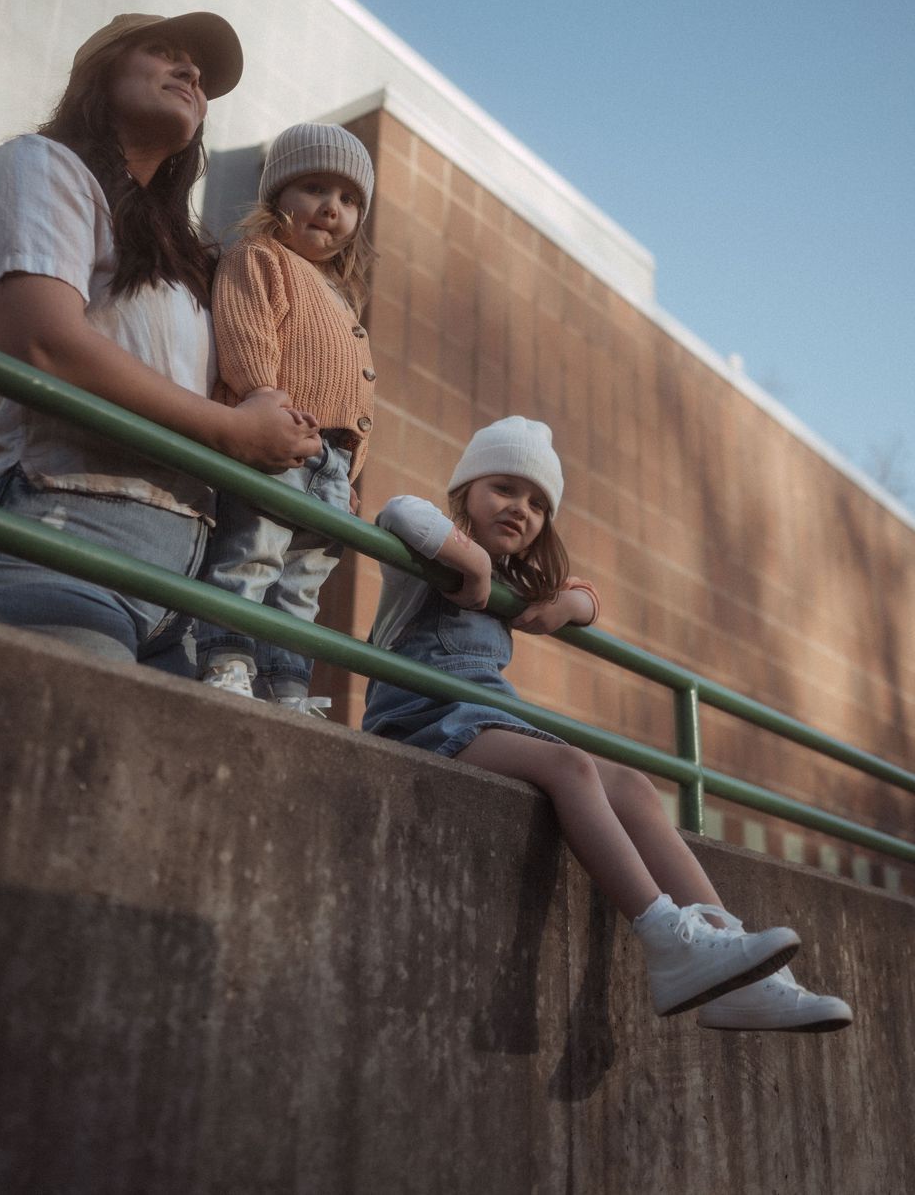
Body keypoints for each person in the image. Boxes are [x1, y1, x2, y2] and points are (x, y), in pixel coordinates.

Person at [363, 417, 853, 1031]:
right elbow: (399, 511)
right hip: (419, 719)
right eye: (504, 488)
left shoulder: (519, 582)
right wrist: (472, 565)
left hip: (487, 721)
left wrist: (569, 603)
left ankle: (735, 966)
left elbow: (588, 596)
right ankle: (666, 939)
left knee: (635, 787)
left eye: (537, 504)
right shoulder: (426, 559)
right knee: (570, 765)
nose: (520, 508)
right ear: (465, 492)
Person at [0, 12, 321, 666]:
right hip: (44, 537)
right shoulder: (37, 165)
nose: (192, 73)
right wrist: (233, 431)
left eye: (201, 75)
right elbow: (42, 343)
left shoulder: (186, 259)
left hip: (175, 591)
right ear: (99, 74)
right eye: (163, 52)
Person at [196, 122, 377, 714]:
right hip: (280, 436)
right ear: (278, 197)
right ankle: (226, 659)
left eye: (348, 199)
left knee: (302, 583)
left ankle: (286, 688)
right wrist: (262, 396)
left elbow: (355, 395)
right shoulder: (259, 257)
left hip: (332, 461)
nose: (332, 207)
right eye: (315, 189)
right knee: (253, 553)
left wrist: (349, 474)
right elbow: (245, 331)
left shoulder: (341, 296)